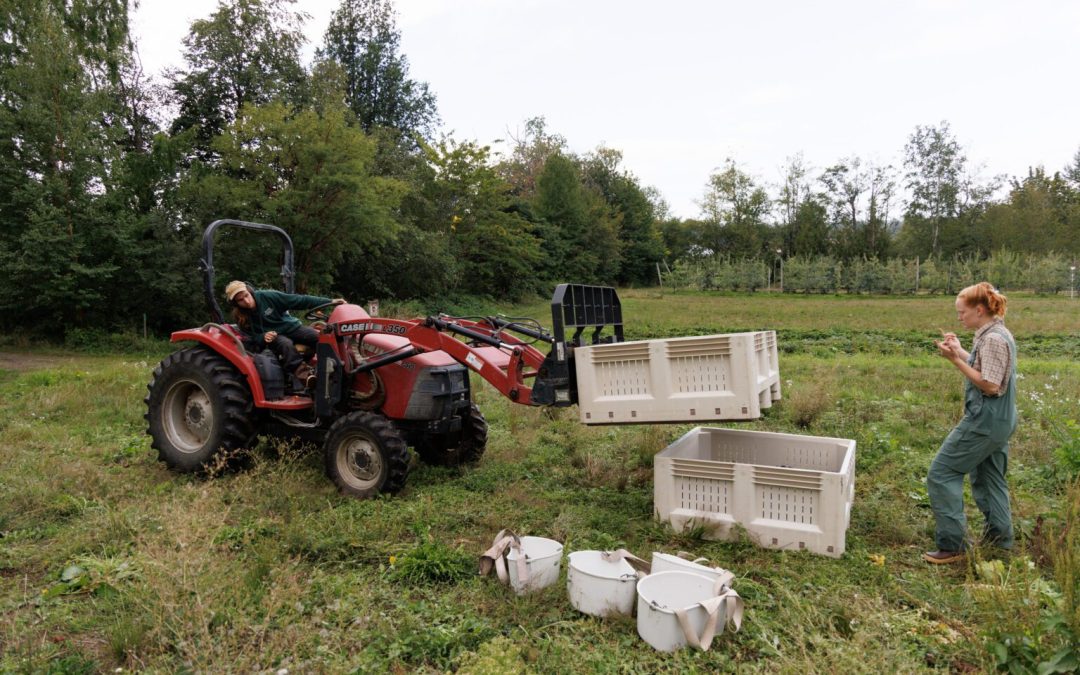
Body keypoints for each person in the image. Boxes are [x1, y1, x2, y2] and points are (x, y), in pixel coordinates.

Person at [925, 282, 1017, 564]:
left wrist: (954, 360)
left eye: (962, 312)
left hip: (984, 421)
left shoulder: (993, 339)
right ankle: (1000, 542)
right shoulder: (993, 334)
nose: (959, 317)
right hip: (1000, 420)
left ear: (979, 310)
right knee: (989, 479)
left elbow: (989, 385)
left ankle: (953, 546)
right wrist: (962, 351)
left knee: (942, 473)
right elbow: (985, 367)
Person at [224, 280, 344, 387]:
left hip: (290, 327)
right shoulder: (240, 317)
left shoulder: (268, 297)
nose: (246, 301)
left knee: (319, 337)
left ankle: (335, 369)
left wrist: (330, 301)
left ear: (250, 291)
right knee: (285, 344)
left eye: (246, 295)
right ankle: (305, 376)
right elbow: (251, 336)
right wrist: (263, 336)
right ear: (235, 303)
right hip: (275, 337)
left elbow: (299, 300)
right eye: (240, 300)